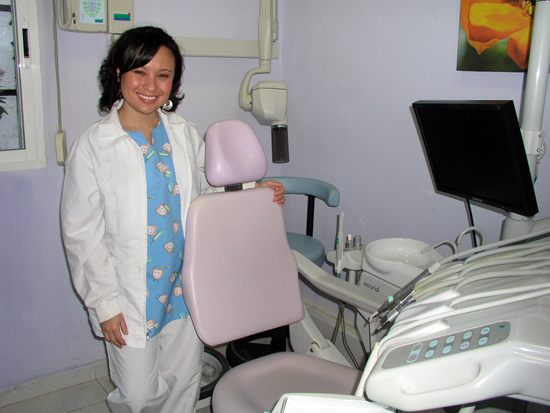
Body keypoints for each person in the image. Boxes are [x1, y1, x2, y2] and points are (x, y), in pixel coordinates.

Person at [60, 26, 285, 413]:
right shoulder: (94, 146)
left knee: (184, 382)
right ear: (119, 73)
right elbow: (81, 234)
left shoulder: (182, 133)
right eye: (140, 72)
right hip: (129, 294)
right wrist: (104, 304)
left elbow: (208, 191)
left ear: (173, 81)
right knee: (138, 395)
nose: (151, 85)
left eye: (162, 75)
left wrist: (254, 190)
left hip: (184, 285)